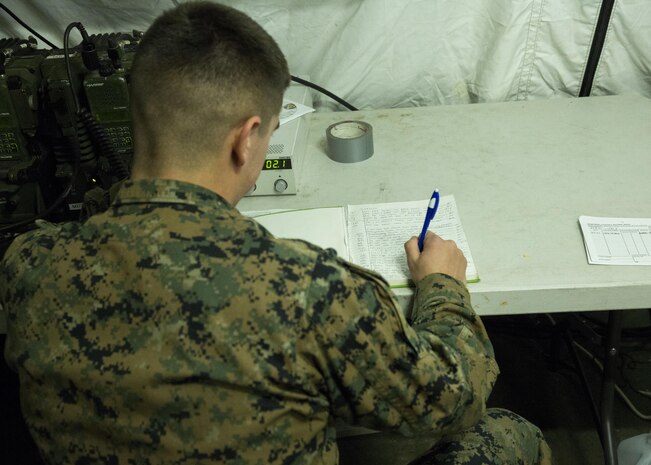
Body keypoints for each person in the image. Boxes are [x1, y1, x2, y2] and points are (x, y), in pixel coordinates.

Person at [1, 2, 552, 464]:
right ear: (247, 141)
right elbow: (454, 397)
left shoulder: (27, 265)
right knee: (505, 434)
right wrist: (443, 289)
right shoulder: (311, 290)